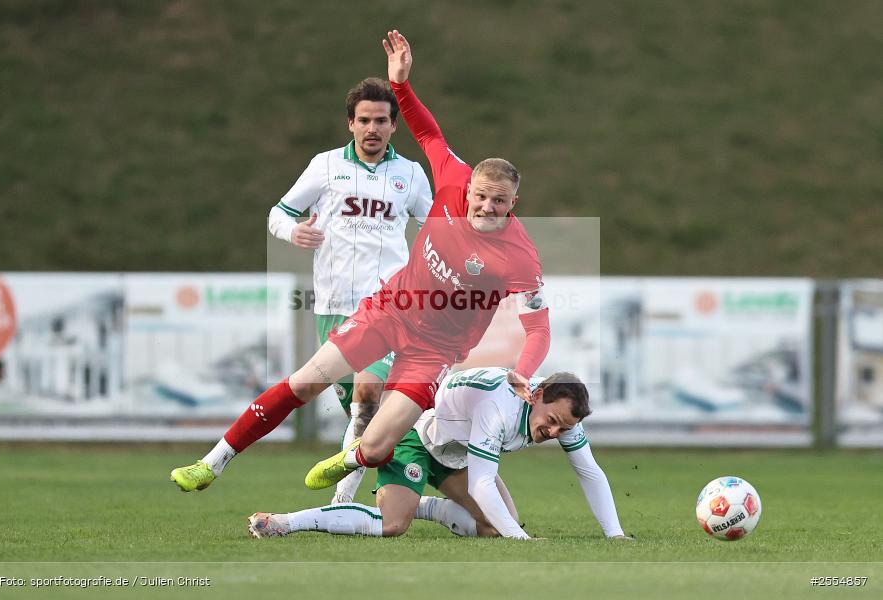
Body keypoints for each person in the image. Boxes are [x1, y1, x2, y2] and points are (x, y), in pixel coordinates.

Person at [169, 29, 551, 495]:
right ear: (469, 188)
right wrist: (402, 85)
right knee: (306, 382)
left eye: (501, 202)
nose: (489, 208)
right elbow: (428, 130)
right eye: (483, 196)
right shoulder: (450, 176)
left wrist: (524, 374)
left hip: (436, 351)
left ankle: (349, 465)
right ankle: (214, 461)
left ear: (515, 202)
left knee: (378, 442)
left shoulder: (520, 256)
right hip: (390, 309)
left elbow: (539, 328)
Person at [266, 77, 432, 503]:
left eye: (381, 120)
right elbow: (278, 212)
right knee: (362, 413)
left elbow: (435, 231)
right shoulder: (324, 166)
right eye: (364, 120)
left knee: (367, 391)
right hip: (333, 306)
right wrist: (292, 232)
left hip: (388, 309)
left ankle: (340, 502)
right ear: (350, 124)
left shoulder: (410, 174)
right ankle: (407, 477)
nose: (372, 128)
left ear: (394, 125)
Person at [247, 368, 630, 540]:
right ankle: (285, 521)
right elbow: (482, 483)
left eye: (564, 428)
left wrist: (615, 535)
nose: (555, 432)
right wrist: (522, 541)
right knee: (393, 525)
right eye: (552, 422)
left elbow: (590, 473)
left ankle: (425, 505)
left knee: (494, 527)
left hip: (457, 455)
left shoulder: (563, 413)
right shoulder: (499, 406)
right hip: (415, 436)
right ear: (536, 395)